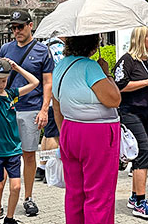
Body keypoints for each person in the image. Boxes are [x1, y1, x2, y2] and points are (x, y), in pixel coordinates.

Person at [51, 33, 121, 224]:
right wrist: (106, 73)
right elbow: (113, 99)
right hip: (97, 134)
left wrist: (63, 133)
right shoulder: (91, 67)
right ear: (93, 45)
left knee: (74, 193)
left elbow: (56, 106)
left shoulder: (60, 66)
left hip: (69, 129)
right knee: (99, 194)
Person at [0, 10, 53, 219]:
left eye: (20, 27)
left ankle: (28, 197)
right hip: (7, 110)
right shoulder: (5, 48)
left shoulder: (43, 50)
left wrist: (44, 109)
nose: (16, 31)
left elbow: (47, 83)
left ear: (30, 25)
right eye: (13, 27)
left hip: (31, 108)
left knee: (28, 154)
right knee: (5, 155)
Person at [0, 56, 40, 224]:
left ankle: (9, 219)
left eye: (3, 80)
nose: (0, 84)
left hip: (13, 149)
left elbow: (35, 83)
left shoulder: (12, 94)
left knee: (16, 186)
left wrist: (17, 68)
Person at [115, 26, 148, 219]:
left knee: (143, 153)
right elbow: (119, 85)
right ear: (141, 39)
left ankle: (135, 196)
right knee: (143, 152)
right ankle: (141, 202)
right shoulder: (127, 61)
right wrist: (147, 82)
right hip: (130, 112)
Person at [37, 37, 65, 184]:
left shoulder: (43, 45)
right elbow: (59, 76)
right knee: (54, 135)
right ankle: (51, 169)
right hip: (54, 98)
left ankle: (41, 167)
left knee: (47, 134)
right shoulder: (59, 49)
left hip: (42, 97)